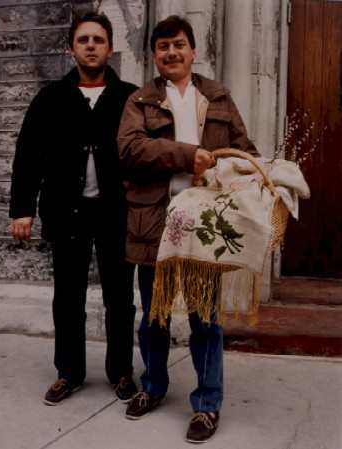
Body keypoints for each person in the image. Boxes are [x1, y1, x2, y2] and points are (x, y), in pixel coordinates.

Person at [118, 15, 258, 443]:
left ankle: (207, 403)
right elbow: (129, 148)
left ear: (193, 51)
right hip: (154, 223)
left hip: (204, 226)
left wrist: (237, 173)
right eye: (163, 47)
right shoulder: (140, 101)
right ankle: (155, 387)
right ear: (155, 56)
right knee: (154, 316)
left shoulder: (217, 96)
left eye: (179, 44)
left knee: (205, 319)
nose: (172, 53)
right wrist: (187, 154)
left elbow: (244, 151)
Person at [9, 11, 138, 405]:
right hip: (66, 212)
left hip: (116, 213)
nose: (91, 46)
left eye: (98, 39)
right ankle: (69, 372)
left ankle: (121, 372)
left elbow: (145, 154)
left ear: (110, 48)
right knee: (68, 298)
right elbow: (28, 155)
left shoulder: (130, 97)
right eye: (83, 40)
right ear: (71, 48)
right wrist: (21, 210)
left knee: (120, 298)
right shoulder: (50, 98)